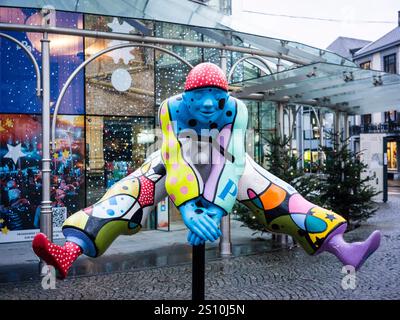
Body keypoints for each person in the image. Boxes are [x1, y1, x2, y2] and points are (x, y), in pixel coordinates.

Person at [32, 63, 381, 279]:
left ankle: (341, 246)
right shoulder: (171, 109)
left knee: (279, 196)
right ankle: (71, 250)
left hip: (224, 160)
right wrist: (188, 208)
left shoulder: (236, 111)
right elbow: (173, 155)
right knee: (127, 193)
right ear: (188, 95)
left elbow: (232, 159)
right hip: (177, 159)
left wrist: (212, 212)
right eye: (203, 95)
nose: (211, 103)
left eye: (218, 94)